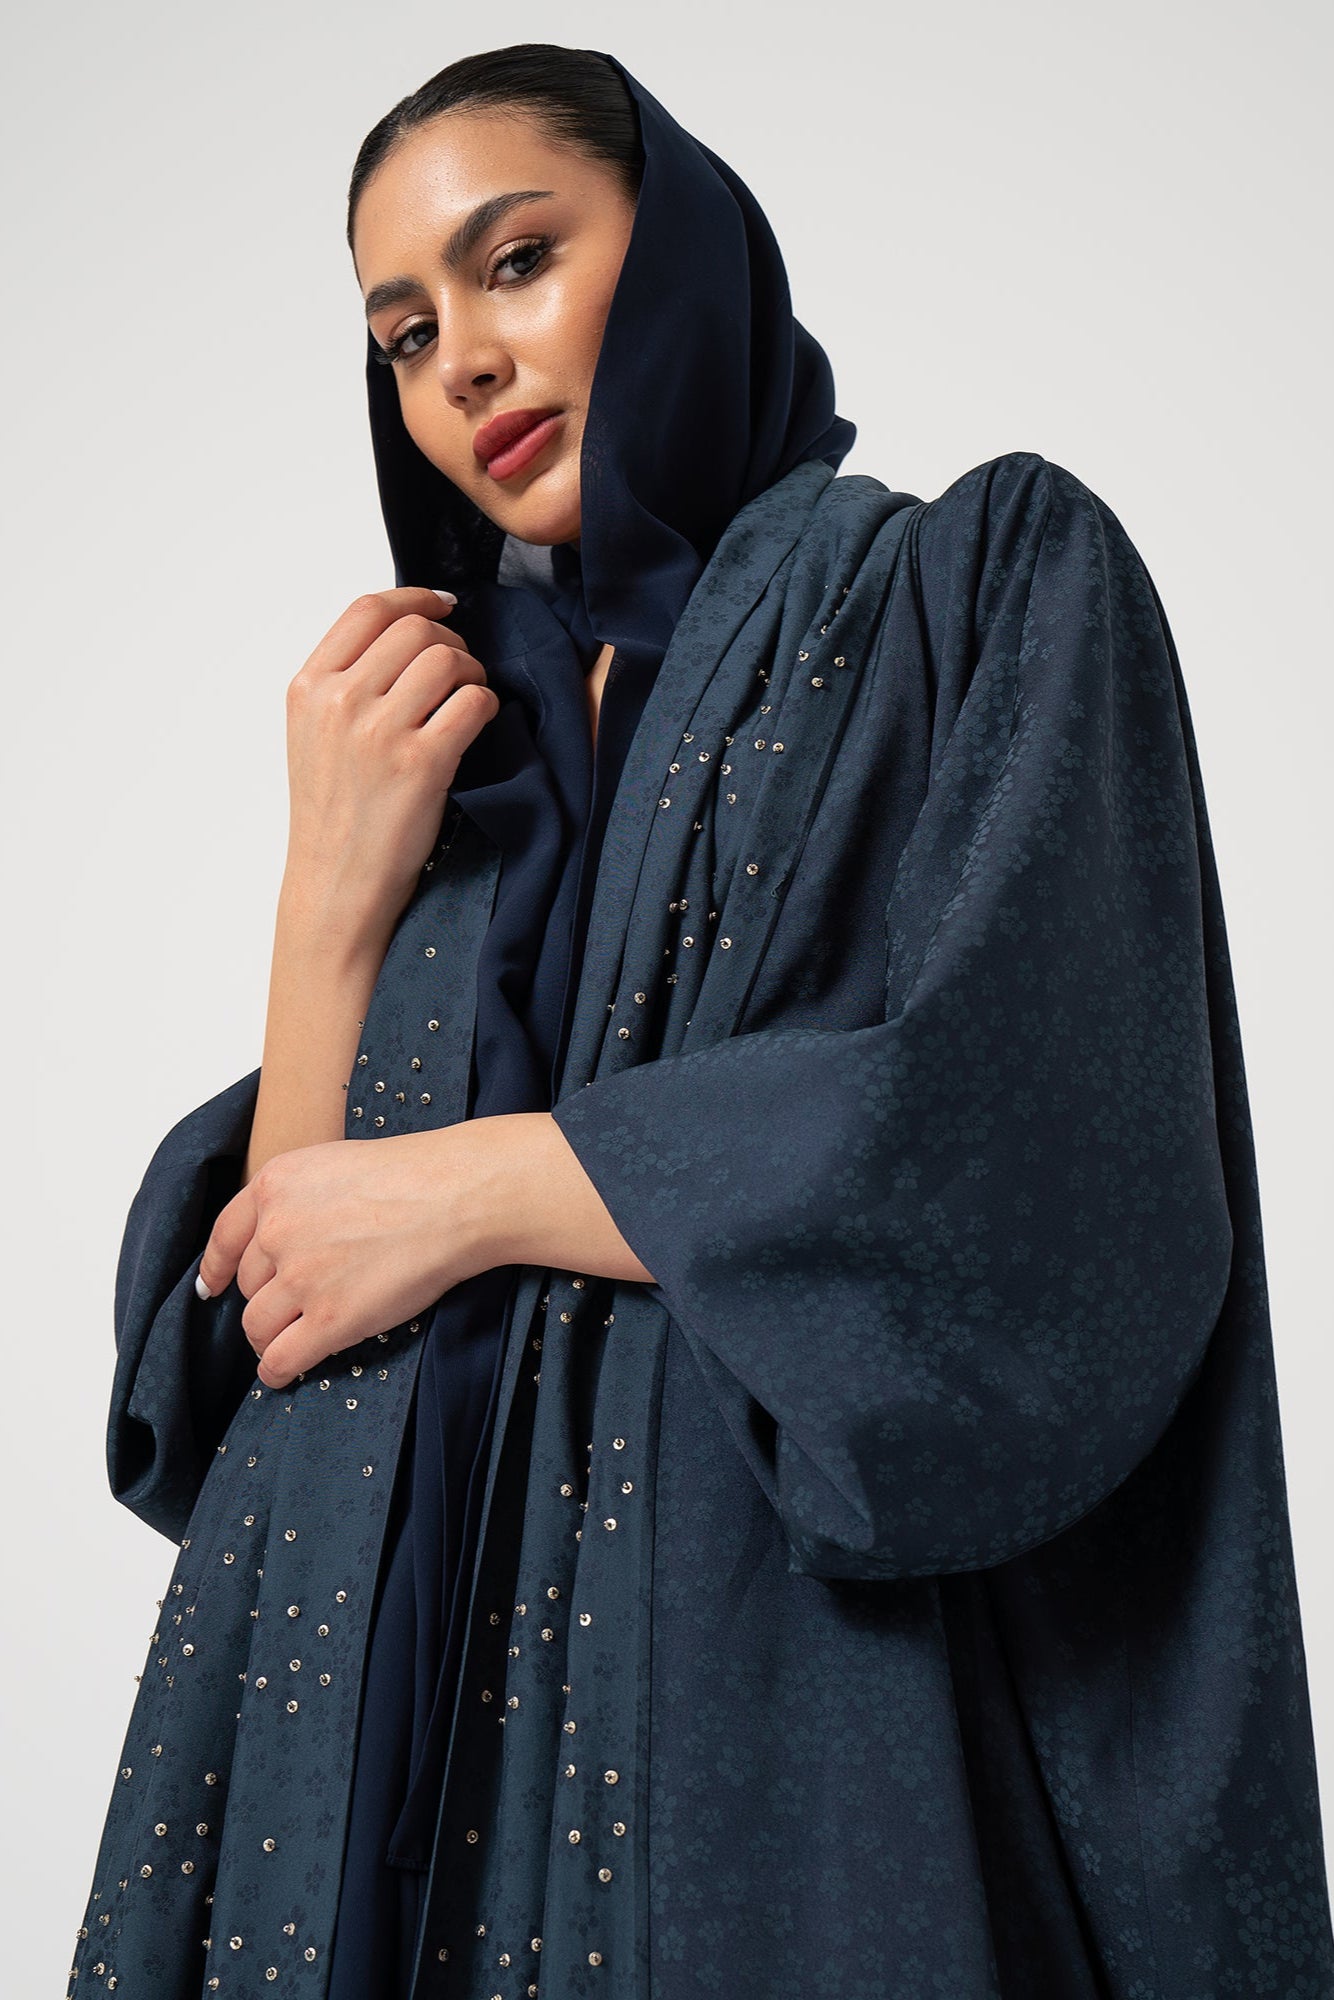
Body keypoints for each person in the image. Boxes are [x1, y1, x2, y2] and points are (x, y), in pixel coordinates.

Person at [68, 41, 1334, 2000]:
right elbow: (276, 1364)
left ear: (680, 247)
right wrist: (324, 908)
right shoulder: (436, 749)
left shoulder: (970, 589)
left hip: (776, 1766)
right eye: (404, 333)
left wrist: (490, 1187)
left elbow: (1043, 1155)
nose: (462, 364)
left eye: (517, 261)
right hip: (375, 1829)